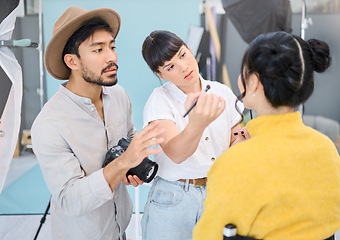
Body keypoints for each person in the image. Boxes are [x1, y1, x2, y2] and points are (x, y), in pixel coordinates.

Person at [31, 6, 164, 240]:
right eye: (98, 50)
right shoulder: (49, 123)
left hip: (120, 229)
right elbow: (70, 199)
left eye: (112, 47)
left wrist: (130, 167)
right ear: (72, 61)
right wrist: (123, 162)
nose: (111, 57)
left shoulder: (119, 95)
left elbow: (129, 138)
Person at [193, 31, 340, 240]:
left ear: (253, 82)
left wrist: (242, 155)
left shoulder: (235, 163)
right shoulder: (327, 149)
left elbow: (209, 235)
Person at [140, 30, 247, 240]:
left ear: (189, 49)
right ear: (161, 75)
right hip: (174, 197)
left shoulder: (221, 91)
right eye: (170, 67)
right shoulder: (160, 100)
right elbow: (176, 153)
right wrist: (198, 123)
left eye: (182, 55)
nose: (183, 67)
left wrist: (245, 139)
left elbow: (236, 142)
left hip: (217, 193)